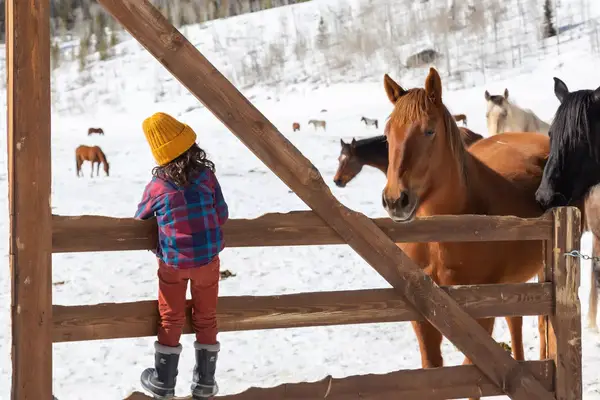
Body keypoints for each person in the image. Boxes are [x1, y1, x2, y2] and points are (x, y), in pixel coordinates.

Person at [134, 112, 228, 399]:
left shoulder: (157, 187)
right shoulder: (206, 176)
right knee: (206, 317)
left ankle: (163, 382)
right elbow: (222, 213)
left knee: (170, 317)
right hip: (208, 261)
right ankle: (205, 383)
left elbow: (140, 219)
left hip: (173, 263)